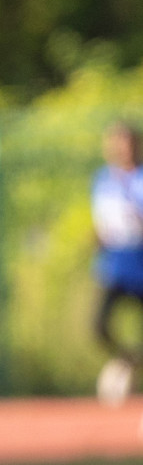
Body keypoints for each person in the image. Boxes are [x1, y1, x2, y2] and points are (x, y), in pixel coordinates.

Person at [91, 122, 143, 406]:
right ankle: (128, 360)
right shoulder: (102, 179)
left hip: (141, 262)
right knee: (98, 325)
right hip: (115, 266)